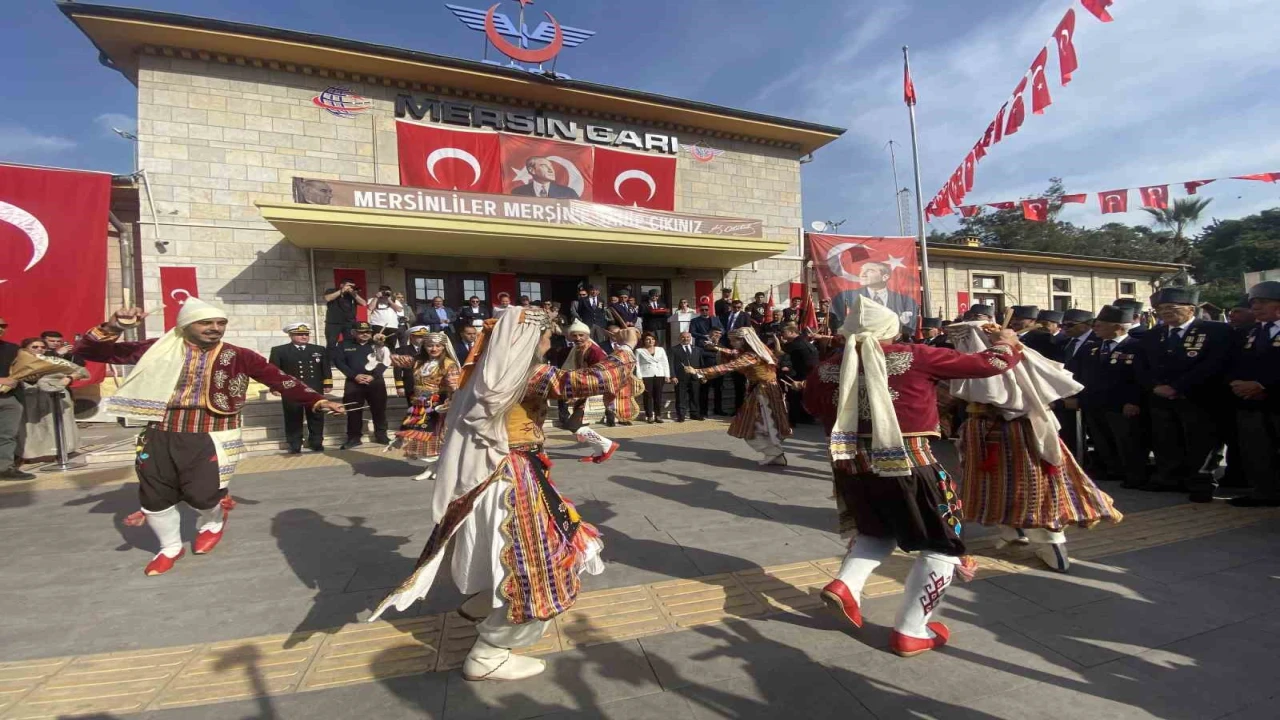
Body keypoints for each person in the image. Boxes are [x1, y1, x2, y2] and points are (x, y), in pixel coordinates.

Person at [369, 314, 641, 682]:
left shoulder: (485, 369)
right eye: (545, 337)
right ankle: (490, 653)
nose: (549, 344)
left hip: (489, 474)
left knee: (499, 544)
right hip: (513, 478)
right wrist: (625, 346)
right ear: (529, 340)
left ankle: (483, 601)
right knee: (537, 563)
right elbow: (595, 380)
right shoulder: (525, 373)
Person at [803, 297, 1027, 657]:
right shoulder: (916, 355)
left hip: (852, 465)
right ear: (891, 329)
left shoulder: (827, 367)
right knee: (941, 544)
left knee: (876, 530)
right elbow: (990, 364)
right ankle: (911, 629)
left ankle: (846, 584)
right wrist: (1006, 341)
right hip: (908, 463)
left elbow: (811, 405)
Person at [74, 301, 344, 575]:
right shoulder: (157, 348)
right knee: (154, 497)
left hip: (212, 432)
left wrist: (317, 401)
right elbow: (88, 350)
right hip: (160, 430)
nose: (215, 329)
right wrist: (115, 326)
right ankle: (169, 548)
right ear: (185, 324)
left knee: (203, 495)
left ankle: (212, 523)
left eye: (220, 323)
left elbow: (280, 379)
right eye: (206, 323)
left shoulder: (239, 355)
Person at [950, 319, 1122, 573]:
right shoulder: (1012, 352)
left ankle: (1050, 543)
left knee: (1033, 487)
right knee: (993, 486)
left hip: (1017, 432)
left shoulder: (992, 360)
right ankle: (1012, 529)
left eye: (961, 337)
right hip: (991, 431)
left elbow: (992, 394)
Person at [1138, 287, 1231, 502]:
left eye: (1171, 308)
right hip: (1161, 399)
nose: (1165, 313)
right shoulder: (1152, 335)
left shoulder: (1214, 331)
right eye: (1160, 309)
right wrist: (1155, 386)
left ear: (1191, 309)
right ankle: (1170, 479)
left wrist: (1179, 387)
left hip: (1199, 398)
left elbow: (1214, 363)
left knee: (1202, 444)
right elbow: (1141, 367)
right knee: (1166, 441)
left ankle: (1202, 483)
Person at [1067, 306, 1148, 488]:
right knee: (1101, 439)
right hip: (1094, 403)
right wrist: (1076, 396)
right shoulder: (1091, 348)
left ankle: (1134, 475)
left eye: (1100, 324)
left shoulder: (1136, 347)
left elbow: (1141, 378)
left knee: (1127, 441)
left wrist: (1134, 401)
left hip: (1121, 404)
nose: (1095, 327)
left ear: (1118, 326)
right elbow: (1077, 375)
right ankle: (1112, 470)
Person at [689, 327, 792, 465]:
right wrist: (718, 349)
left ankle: (774, 452)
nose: (731, 343)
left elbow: (729, 366)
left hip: (762, 393)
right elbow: (733, 352)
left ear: (743, 340)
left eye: (733, 340)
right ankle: (775, 453)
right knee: (766, 424)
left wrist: (699, 371)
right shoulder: (760, 350)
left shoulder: (751, 356)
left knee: (752, 425)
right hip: (766, 389)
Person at [1227, 281, 1280, 507]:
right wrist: (1238, 383)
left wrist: (1263, 385)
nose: (1257, 307)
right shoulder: (1249, 332)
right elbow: (1233, 362)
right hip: (1251, 402)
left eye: (1264, 302)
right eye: (1254, 303)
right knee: (1257, 449)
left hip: (1277, 399)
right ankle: (1264, 492)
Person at [388, 332, 461, 480]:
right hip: (419, 403)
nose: (433, 349)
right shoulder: (418, 361)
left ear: (443, 346)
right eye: (429, 345)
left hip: (438, 404)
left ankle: (437, 467)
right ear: (424, 346)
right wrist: (379, 345)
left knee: (435, 436)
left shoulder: (448, 364)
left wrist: (450, 403)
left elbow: (454, 387)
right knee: (420, 435)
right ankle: (432, 467)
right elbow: (395, 360)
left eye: (437, 345)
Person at [558, 320, 626, 461]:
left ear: (587, 335)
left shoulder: (594, 351)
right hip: (583, 392)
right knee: (582, 424)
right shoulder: (577, 350)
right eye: (574, 335)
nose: (577, 338)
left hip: (595, 392)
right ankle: (598, 452)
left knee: (573, 425)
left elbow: (602, 374)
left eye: (581, 335)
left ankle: (607, 444)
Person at [16, 338, 90, 462]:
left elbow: (83, 371)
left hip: (56, 396)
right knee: (33, 427)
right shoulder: (17, 362)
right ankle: (33, 454)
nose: (39, 349)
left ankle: (62, 452)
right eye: (35, 347)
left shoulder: (54, 361)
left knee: (57, 425)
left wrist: (69, 378)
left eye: (42, 347)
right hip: (30, 397)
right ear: (25, 349)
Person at [269, 323, 332, 454]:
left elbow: (325, 367)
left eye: (306, 334)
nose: (304, 336)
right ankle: (294, 443)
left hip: (313, 388)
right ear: (291, 335)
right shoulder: (279, 350)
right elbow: (273, 371)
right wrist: (274, 386)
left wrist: (327, 384)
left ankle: (316, 442)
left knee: (316, 416)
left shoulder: (318, 349)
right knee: (293, 416)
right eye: (300, 334)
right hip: (292, 389)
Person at [333, 322, 391, 449]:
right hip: (354, 382)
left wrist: (373, 376)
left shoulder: (378, 345)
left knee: (379, 410)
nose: (365, 334)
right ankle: (354, 438)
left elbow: (385, 361)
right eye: (361, 332)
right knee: (353, 411)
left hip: (375, 381)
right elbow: (339, 362)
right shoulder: (344, 345)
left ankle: (381, 435)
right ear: (354, 332)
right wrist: (354, 376)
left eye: (368, 332)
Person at [831, 263, 920, 328]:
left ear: (885, 277)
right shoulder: (846, 296)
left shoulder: (906, 301)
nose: (862, 274)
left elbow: (913, 327)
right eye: (862, 270)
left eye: (870, 271)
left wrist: (903, 324)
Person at [0, 317, 32, 480]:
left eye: (3, 325)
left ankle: (4, 468)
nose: (1, 328)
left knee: (7, 435)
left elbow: (24, 370)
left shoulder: (13, 349)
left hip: (10, 398)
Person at [780, 323, 817, 426]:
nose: (782, 334)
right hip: (807, 372)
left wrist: (779, 343)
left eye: (784, 332)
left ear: (792, 332)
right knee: (803, 396)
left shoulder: (796, 343)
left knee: (794, 396)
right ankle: (805, 417)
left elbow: (780, 353)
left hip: (801, 373)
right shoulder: (803, 342)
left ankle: (793, 420)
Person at [669, 331, 703, 422]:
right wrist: (673, 376)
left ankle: (695, 414)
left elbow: (701, 364)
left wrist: (703, 376)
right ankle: (681, 415)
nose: (686, 339)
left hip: (695, 377)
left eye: (688, 337)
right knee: (680, 397)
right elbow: (671, 364)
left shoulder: (697, 349)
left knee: (695, 396)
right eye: (683, 337)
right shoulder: (674, 349)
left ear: (690, 338)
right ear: (680, 338)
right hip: (680, 378)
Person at [636, 333, 670, 423]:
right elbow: (637, 364)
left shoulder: (660, 349)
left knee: (658, 396)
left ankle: (658, 415)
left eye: (652, 339)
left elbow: (665, 362)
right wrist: (639, 377)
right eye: (648, 339)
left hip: (659, 374)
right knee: (648, 396)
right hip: (646, 375)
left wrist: (667, 375)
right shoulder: (639, 351)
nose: (651, 341)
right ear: (644, 341)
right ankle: (649, 415)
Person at [510, 156, 579, 198]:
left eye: (551, 166)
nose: (550, 170)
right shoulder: (518, 192)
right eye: (544, 166)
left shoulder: (568, 193)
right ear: (532, 170)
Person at [323, 279, 364, 347]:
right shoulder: (332, 291)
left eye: (352, 286)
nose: (350, 288)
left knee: (350, 343)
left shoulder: (353, 294)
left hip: (349, 322)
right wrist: (341, 291)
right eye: (349, 285)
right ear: (342, 285)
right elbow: (327, 298)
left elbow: (363, 303)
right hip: (333, 322)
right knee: (331, 343)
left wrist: (353, 294)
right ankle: (331, 357)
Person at [699, 328, 727, 417]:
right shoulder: (702, 342)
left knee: (718, 391)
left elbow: (725, 351)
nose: (718, 335)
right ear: (710, 333)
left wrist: (714, 347)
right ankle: (703, 411)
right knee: (704, 391)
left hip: (719, 371)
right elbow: (702, 353)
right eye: (716, 333)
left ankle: (718, 409)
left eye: (719, 333)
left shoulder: (721, 344)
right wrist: (718, 351)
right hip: (707, 370)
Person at [395, 326, 429, 397]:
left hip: (428, 385)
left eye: (425, 336)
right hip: (410, 385)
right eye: (420, 336)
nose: (423, 339)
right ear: (412, 337)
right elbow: (397, 370)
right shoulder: (402, 350)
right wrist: (399, 386)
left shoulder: (430, 350)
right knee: (413, 407)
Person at [367, 286, 404, 350]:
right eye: (383, 292)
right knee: (377, 344)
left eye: (387, 292)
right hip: (377, 325)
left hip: (392, 326)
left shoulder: (394, 301)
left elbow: (399, 309)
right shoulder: (373, 299)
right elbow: (370, 308)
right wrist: (376, 297)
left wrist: (389, 300)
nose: (385, 294)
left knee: (391, 346)